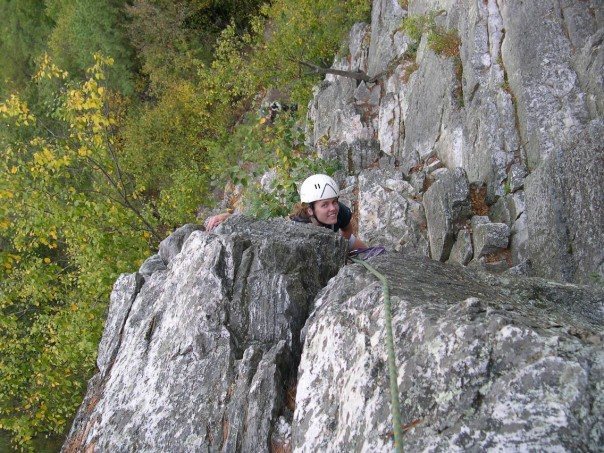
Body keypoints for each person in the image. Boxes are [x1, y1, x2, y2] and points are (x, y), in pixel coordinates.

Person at [205, 174, 367, 250]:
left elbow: (346, 229)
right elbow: (261, 228)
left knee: (367, 250)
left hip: (332, 241)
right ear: (310, 210)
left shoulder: (340, 211)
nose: (332, 208)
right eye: (324, 205)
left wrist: (345, 249)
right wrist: (229, 218)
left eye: (334, 202)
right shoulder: (297, 226)